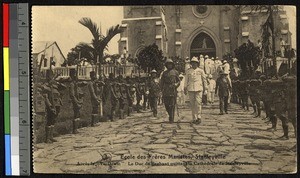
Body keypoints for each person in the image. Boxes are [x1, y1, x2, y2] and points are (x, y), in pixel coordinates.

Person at [42, 69, 66, 143]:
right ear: (47, 77)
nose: (50, 77)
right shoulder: (45, 86)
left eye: (51, 75)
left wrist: (56, 82)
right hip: (51, 105)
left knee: (53, 120)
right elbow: (45, 97)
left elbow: (64, 87)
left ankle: (51, 136)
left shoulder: (55, 84)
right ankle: (47, 138)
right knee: (50, 120)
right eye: (49, 76)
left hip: (57, 104)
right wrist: (50, 106)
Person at [184, 57, 208, 124]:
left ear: (197, 64)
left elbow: (204, 80)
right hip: (191, 88)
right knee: (192, 104)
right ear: (191, 64)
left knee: (198, 103)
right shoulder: (188, 71)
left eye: (195, 63)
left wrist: (206, 89)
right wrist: (185, 88)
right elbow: (186, 80)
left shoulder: (201, 71)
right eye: (193, 63)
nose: (194, 64)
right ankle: (194, 118)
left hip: (199, 88)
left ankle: (199, 117)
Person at [160, 59, 180, 123]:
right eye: (168, 64)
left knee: (172, 104)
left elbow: (179, 81)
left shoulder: (175, 72)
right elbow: (162, 82)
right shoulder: (164, 73)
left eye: (170, 64)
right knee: (166, 104)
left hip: (173, 89)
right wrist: (161, 90)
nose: (169, 65)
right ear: (166, 65)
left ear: (172, 65)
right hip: (166, 89)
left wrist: (176, 84)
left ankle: (171, 118)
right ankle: (170, 114)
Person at [69, 69, 84, 134]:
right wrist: (76, 102)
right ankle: (74, 129)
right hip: (75, 101)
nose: (75, 76)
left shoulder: (76, 84)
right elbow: (72, 94)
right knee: (76, 114)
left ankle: (77, 128)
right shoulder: (72, 84)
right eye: (74, 74)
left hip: (78, 100)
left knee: (78, 114)